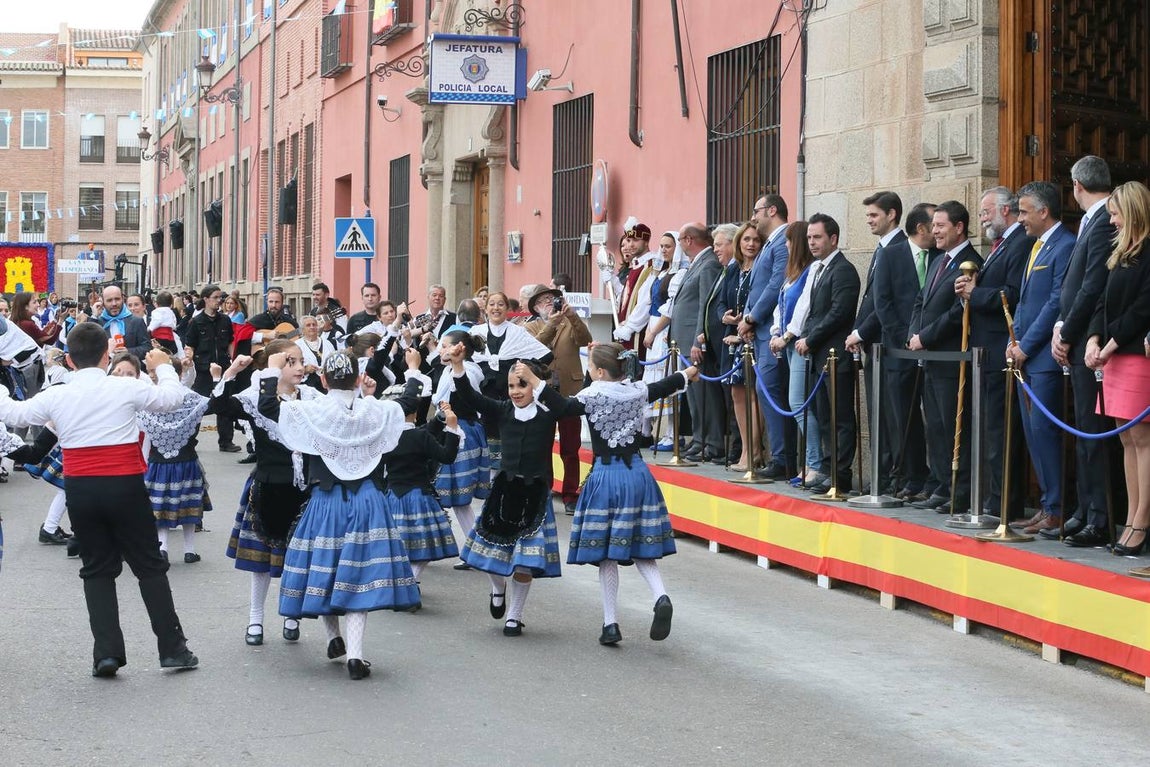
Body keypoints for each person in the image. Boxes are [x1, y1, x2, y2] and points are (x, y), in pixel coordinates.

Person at [0, 323, 198, 677]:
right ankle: (172, 649)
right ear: (107, 354)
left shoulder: (58, 394)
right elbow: (173, 399)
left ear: (71, 361)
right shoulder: (123, 386)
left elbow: (15, 414)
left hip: (81, 488)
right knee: (149, 566)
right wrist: (163, 364)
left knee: (97, 569)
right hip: (124, 484)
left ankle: (106, 654)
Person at [261, 350, 422, 680]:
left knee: (326, 568)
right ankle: (356, 655)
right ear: (359, 378)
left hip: (327, 499)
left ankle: (335, 637)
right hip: (368, 500)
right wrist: (415, 369)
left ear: (322, 379)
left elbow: (268, 407)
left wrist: (269, 371)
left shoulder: (314, 410)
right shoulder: (374, 410)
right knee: (358, 575)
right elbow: (409, 401)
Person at [532, 342, 696, 645]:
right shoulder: (636, 390)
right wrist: (689, 372)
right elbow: (666, 385)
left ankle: (610, 624)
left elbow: (565, 408)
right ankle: (660, 595)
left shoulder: (592, 395)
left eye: (590, 366)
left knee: (607, 552)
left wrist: (536, 384)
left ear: (599, 371)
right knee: (639, 544)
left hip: (607, 475)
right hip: (637, 473)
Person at [447, 347, 562, 638]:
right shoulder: (503, 410)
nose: (514, 391)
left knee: (524, 562)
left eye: (521, 384)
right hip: (504, 492)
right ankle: (498, 589)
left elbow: (569, 406)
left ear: (534, 385)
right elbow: (471, 397)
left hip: (535, 494)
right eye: (511, 385)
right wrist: (459, 366)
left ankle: (514, 616)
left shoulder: (549, 412)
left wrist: (538, 383)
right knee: (490, 557)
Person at [215, 340, 314, 647]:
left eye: (299, 361)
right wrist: (230, 372)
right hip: (268, 484)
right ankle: (255, 618)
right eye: (289, 362)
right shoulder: (255, 398)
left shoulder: (311, 397)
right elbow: (219, 407)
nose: (298, 367)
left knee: (297, 557)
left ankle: (291, 614)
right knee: (261, 561)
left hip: (304, 488)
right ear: (272, 368)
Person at [1052, 155, 1120, 546]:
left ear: (1077, 185)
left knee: (1093, 433)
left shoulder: (1104, 219)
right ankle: (1084, 508)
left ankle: (1100, 516)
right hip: (1077, 341)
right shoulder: (1092, 221)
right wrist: (1062, 325)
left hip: (1089, 345)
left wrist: (1069, 332)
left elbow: (1093, 284)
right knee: (1080, 430)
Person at [1085, 181, 1150, 559]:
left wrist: (1107, 347)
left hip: (1134, 357)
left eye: (1115, 213)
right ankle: (1130, 517)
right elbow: (1102, 304)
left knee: (1142, 439)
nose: (1110, 220)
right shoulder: (1121, 251)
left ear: (1134, 210)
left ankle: (1141, 521)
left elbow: (1142, 309)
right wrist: (1093, 339)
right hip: (1112, 355)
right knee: (1125, 439)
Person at [1006, 181, 1074, 535]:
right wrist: (1012, 340)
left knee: (1044, 431)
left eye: (1024, 211)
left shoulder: (1065, 245)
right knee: (1034, 434)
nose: (1020, 219)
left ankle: (1057, 508)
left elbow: (1055, 303)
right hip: (1024, 356)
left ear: (1044, 211)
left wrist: (1026, 345)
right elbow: (1024, 300)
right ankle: (1048, 505)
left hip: (1043, 357)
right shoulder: (1036, 246)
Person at [960, 186, 1032, 519]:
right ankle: (994, 498)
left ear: (1006, 211)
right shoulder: (1001, 246)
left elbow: (1013, 294)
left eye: (986, 211)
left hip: (1002, 349)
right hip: (986, 352)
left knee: (1001, 431)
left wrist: (978, 293)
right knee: (992, 429)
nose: (983, 217)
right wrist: (969, 292)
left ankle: (1004, 502)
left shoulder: (1020, 243)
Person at [908, 201, 984, 513]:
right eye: (934, 225)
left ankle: (959, 489)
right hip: (931, 358)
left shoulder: (971, 262)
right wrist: (914, 333)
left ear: (958, 227)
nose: (934, 231)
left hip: (952, 359)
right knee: (936, 426)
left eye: (940, 226)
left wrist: (925, 337)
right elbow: (920, 301)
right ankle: (941, 483)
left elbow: (958, 312)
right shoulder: (939, 260)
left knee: (955, 427)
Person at [871, 203, 937, 500]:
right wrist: (905, 340)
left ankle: (938, 478)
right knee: (904, 418)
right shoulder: (891, 254)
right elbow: (882, 302)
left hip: (935, 350)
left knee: (936, 418)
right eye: (934, 224)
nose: (937, 230)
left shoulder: (939, 256)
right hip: (899, 352)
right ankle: (913, 476)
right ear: (921, 228)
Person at [795, 213, 862, 494]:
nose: (812, 242)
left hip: (835, 356)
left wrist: (811, 338)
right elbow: (813, 310)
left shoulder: (843, 270)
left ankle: (840, 474)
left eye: (817, 237)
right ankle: (826, 467)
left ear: (833, 238)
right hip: (818, 356)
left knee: (840, 417)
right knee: (824, 416)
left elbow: (838, 312)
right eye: (809, 237)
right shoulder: (819, 269)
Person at [845, 191, 906, 493]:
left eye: (873, 215)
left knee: (891, 416)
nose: (868, 220)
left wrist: (861, 332)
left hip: (887, 346)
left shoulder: (898, 248)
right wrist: (859, 331)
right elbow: (870, 300)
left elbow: (886, 303)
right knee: (878, 416)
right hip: (873, 345)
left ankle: (894, 478)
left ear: (891, 214)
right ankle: (882, 477)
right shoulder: (883, 248)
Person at [138, 353, 214, 565]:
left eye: (155, 371)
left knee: (159, 508)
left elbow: (143, 434)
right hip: (187, 459)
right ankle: (188, 549)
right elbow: (209, 405)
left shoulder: (151, 400)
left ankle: (164, 547)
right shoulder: (192, 399)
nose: (152, 375)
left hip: (158, 462)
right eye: (151, 371)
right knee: (188, 504)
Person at [524, 284, 593, 514]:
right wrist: (551, 323)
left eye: (551, 299)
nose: (548, 304)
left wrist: (571, 316)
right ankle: (546, 489)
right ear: (535, 307)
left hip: (568, 390)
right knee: (543, 446)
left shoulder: (569, 322)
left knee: (570, 446)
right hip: (542, 392)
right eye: (542, 301)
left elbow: (585, 339)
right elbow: (535, 348)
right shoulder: (530, 327)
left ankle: (571, 494)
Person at [382, 399, 462, 586]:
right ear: (415, 415)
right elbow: (447, 456)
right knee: (425, 546)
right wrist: (452, 429)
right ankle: (412, 580)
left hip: (393, 496)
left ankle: (401, 582)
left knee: (396, 545)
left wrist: (439, 419)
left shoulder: (386, 438)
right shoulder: (420, 437)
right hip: (419, 496)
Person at [470, 291, 553, 468]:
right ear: (485, 308)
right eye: (492, 304)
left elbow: (544, 355)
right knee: (486, 433)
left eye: (500, 304)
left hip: (511, 394)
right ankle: (489, 476)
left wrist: (524, 373)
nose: (496, 308)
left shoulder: (518, 333)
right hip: (484, 394)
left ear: (508, 308)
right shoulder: (476, 333)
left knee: (510, 432)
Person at [431, 330, 492, 570]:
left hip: (464, 432)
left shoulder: (470, 370)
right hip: (453, 429)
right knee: (458, 499)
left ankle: (477, 549)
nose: (440, 349)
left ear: (459, 349)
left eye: (445, 345)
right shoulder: (448, 369)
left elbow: (466, 392)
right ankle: (474, 548)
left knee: (460, 498)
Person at [770, 221, 822, 486]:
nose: (787, 245)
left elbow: (803, 308)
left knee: (798, 403)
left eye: (790, 240)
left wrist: (788, 334)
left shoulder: (809, 270)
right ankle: (808, 463)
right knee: (796, 404)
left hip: (799, 343)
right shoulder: (792, 274)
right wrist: (776, 332)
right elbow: (782, 306)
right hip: (787, 343)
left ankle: (816, 464)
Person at [673, 223, 723, 462]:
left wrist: (697, 340)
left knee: (704, 394)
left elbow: (705, 305)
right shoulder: (699, 263)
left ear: (689, 240)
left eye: (680, 240)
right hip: (683, 341)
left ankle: (712, 442)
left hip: (695, 343)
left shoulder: (709, 263)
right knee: (693, 394)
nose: (680, 245)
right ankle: (699, 438)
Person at [718, 222, 765, 471]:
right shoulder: (734, 269)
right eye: (746, 239)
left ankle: (754, 452)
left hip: (751, 338)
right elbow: (721, 302)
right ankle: (747, 449)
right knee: (737, 393)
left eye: (756, 240)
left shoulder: (761, 268)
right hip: (734, 338)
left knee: (752, 394)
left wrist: (745, 325)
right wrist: (725, 318)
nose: (751, 244)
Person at [183, 285, 239, 452]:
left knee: (225, 404)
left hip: (223, 367)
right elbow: (190, 344)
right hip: (203, 368)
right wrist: (189, 357)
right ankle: (190, 440)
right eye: (215, 297)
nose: (219, 301)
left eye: (220, 297)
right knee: (198, 404)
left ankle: (226, 441)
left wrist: (233, 360)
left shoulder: (225, 320)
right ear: (206, 299)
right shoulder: (196, 321)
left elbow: (230, 340)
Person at [91, 285, 151, 359]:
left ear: (123, 299)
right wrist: (94, 316)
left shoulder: (136, 321)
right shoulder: (97, 323)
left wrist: (128, 352)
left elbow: (147, 348)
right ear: (103, 302)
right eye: (109, 300)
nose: (114, 304)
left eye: (117, 299)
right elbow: (89, 347)